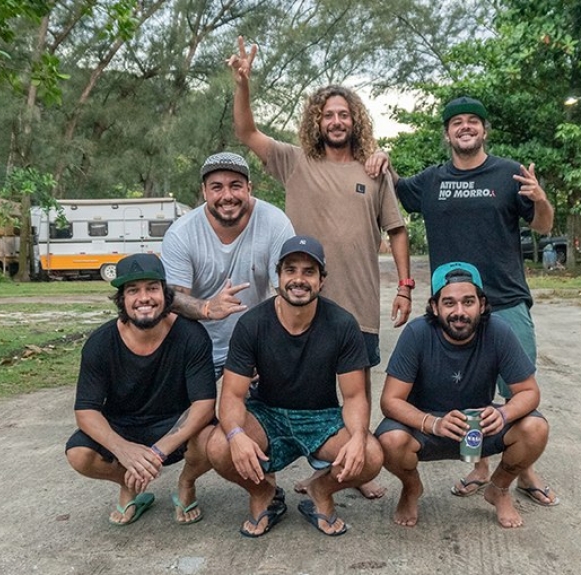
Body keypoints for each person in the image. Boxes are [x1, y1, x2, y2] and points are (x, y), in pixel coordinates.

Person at [228, 36, 412, 499]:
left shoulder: (375, 171)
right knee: (289, 386)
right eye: (328, 114)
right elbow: (246, 132)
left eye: (343, 114)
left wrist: (406, 286)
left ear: (355, 121)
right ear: (317, 120)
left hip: (359, 300)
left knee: (358, 390)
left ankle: (350, 465)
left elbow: (397, 230)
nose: (336, 121)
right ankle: (275, 459)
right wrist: (243, 83)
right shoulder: (294, 161)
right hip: (300, 302)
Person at [371, 96, 559, 505]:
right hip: (452, 304)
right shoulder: (432, 181)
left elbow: (543, 227)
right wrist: (384, 157)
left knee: (516, 391)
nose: (466, 127)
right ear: (447, 133)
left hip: (505, 299)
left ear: (484, 130)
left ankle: (522, 470)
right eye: (457, 122)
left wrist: (541, 199)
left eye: (474, 121)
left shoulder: (509, 173)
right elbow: (395, 190)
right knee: (466, 389)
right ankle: (478, 465)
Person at [206, 235, 384, 537]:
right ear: (278, 277)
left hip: (321, 416)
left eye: (308, 271)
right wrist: (236, 434)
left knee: (371, 455)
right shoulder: (252, 324)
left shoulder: (342, 324)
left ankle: (321, 491)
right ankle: (262, 492)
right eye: (290, 270)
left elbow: (354, 396)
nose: (298, 279)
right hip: (266, 415)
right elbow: (232, 395)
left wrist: (356, 436)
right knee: (219, 446)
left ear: (322, 280)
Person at [376, 262, 550, 529]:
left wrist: (503, 414)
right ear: (435, 307)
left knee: (535, 428)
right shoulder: (417, 333)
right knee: (389, 440)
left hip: (478, 427)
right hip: (428, 427)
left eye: (468, 301)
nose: (459, 312)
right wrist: (433, 423)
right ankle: (411, 488)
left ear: (481, 304)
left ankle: (499, 488)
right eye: (449, 303)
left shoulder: (498, 330)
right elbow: (390, 400)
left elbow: (529, 391)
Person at [64, 253, 217, 526]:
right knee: (79, 454)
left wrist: (159, 451)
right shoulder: (101, 343)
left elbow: (204, 405)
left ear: (165, 294)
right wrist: (123, 450)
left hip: (174, 426)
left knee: (214, 441)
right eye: (133, 290)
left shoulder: (191, 336)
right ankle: (128, 483)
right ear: (122, 299)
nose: (144, 297)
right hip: (124, 425)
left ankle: (187, 482)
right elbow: (86, 411)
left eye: (152, 288)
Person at [161, 151, 295, 378]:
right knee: (193, 412)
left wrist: (273, 346)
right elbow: (172, 296)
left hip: (256, 346)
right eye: (216, 187)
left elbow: (285, 290)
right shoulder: (181, 233)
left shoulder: (274, 222)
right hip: (199, 347)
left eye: (235, 186)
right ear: (204, 191)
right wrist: (207, 308)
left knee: (260, 410)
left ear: (249, 189)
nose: (227, 195)